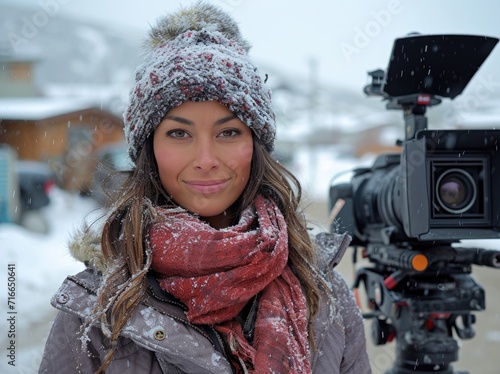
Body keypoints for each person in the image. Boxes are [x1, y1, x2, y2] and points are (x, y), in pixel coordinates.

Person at [39, 2, 371, 373]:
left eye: (228, 132)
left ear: (255, 146)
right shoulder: (95, 313)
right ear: (150, 150)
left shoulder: (323, 295)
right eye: (179, 133)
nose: (206, 158)